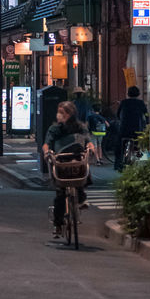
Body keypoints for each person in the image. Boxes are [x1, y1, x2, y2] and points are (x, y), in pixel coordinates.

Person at [42, 100, 94, 239]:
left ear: (70, 114)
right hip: (61, 163)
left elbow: (88, 140)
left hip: (76, 160)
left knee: (83, 172)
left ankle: (81, 199)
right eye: (58, 112)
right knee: (60, 194)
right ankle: (58, 224)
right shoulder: (54, 129)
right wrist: (47, 153)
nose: (59, 115)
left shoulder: (80, 127)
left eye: (62, 113)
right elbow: (47, 144)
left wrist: (90, 147)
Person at [114, 85, 149, 170]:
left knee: (119, 145)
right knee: (139, 145)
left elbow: (118, 114)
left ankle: (117, 163)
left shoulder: (124, 102)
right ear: (138, 94)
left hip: (124, 128)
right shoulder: (141, 103)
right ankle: (140, 164)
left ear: (128, 93)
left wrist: (120, 120)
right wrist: (147, 123)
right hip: (137, 129)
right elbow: (146, 115)